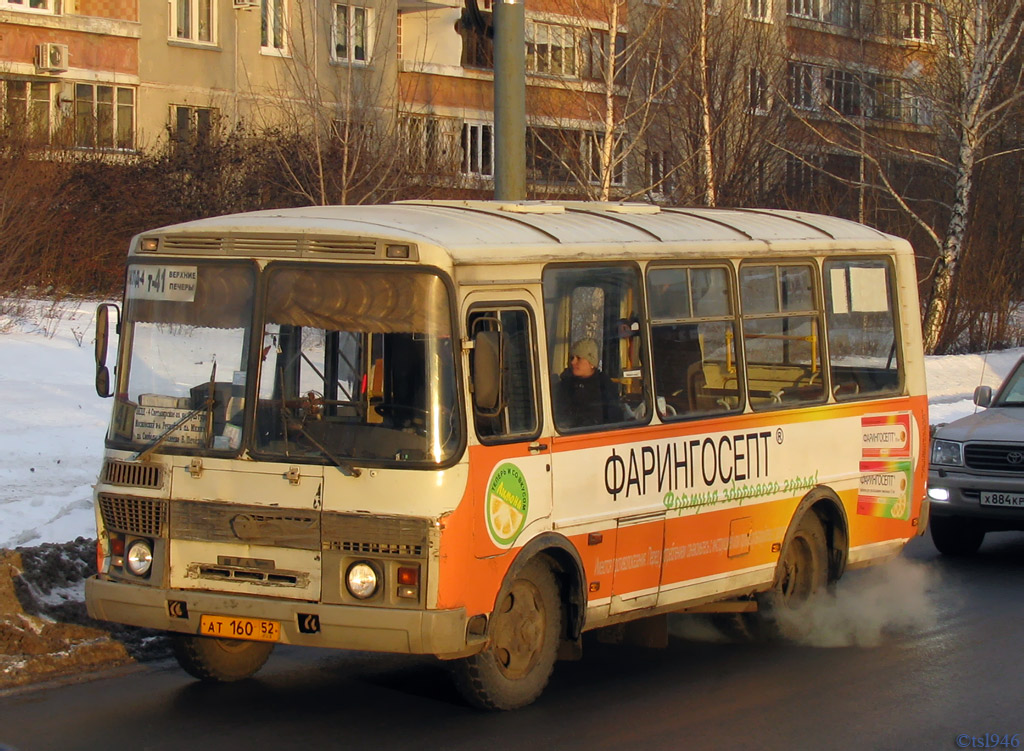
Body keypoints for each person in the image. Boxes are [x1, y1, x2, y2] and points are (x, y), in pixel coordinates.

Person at [555, 338, 624, 428]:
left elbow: (613, 420)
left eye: (579, 358)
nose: (573, 362)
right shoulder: (564, 385)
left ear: (592, 363)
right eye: (572, 358)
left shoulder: (604, 387)